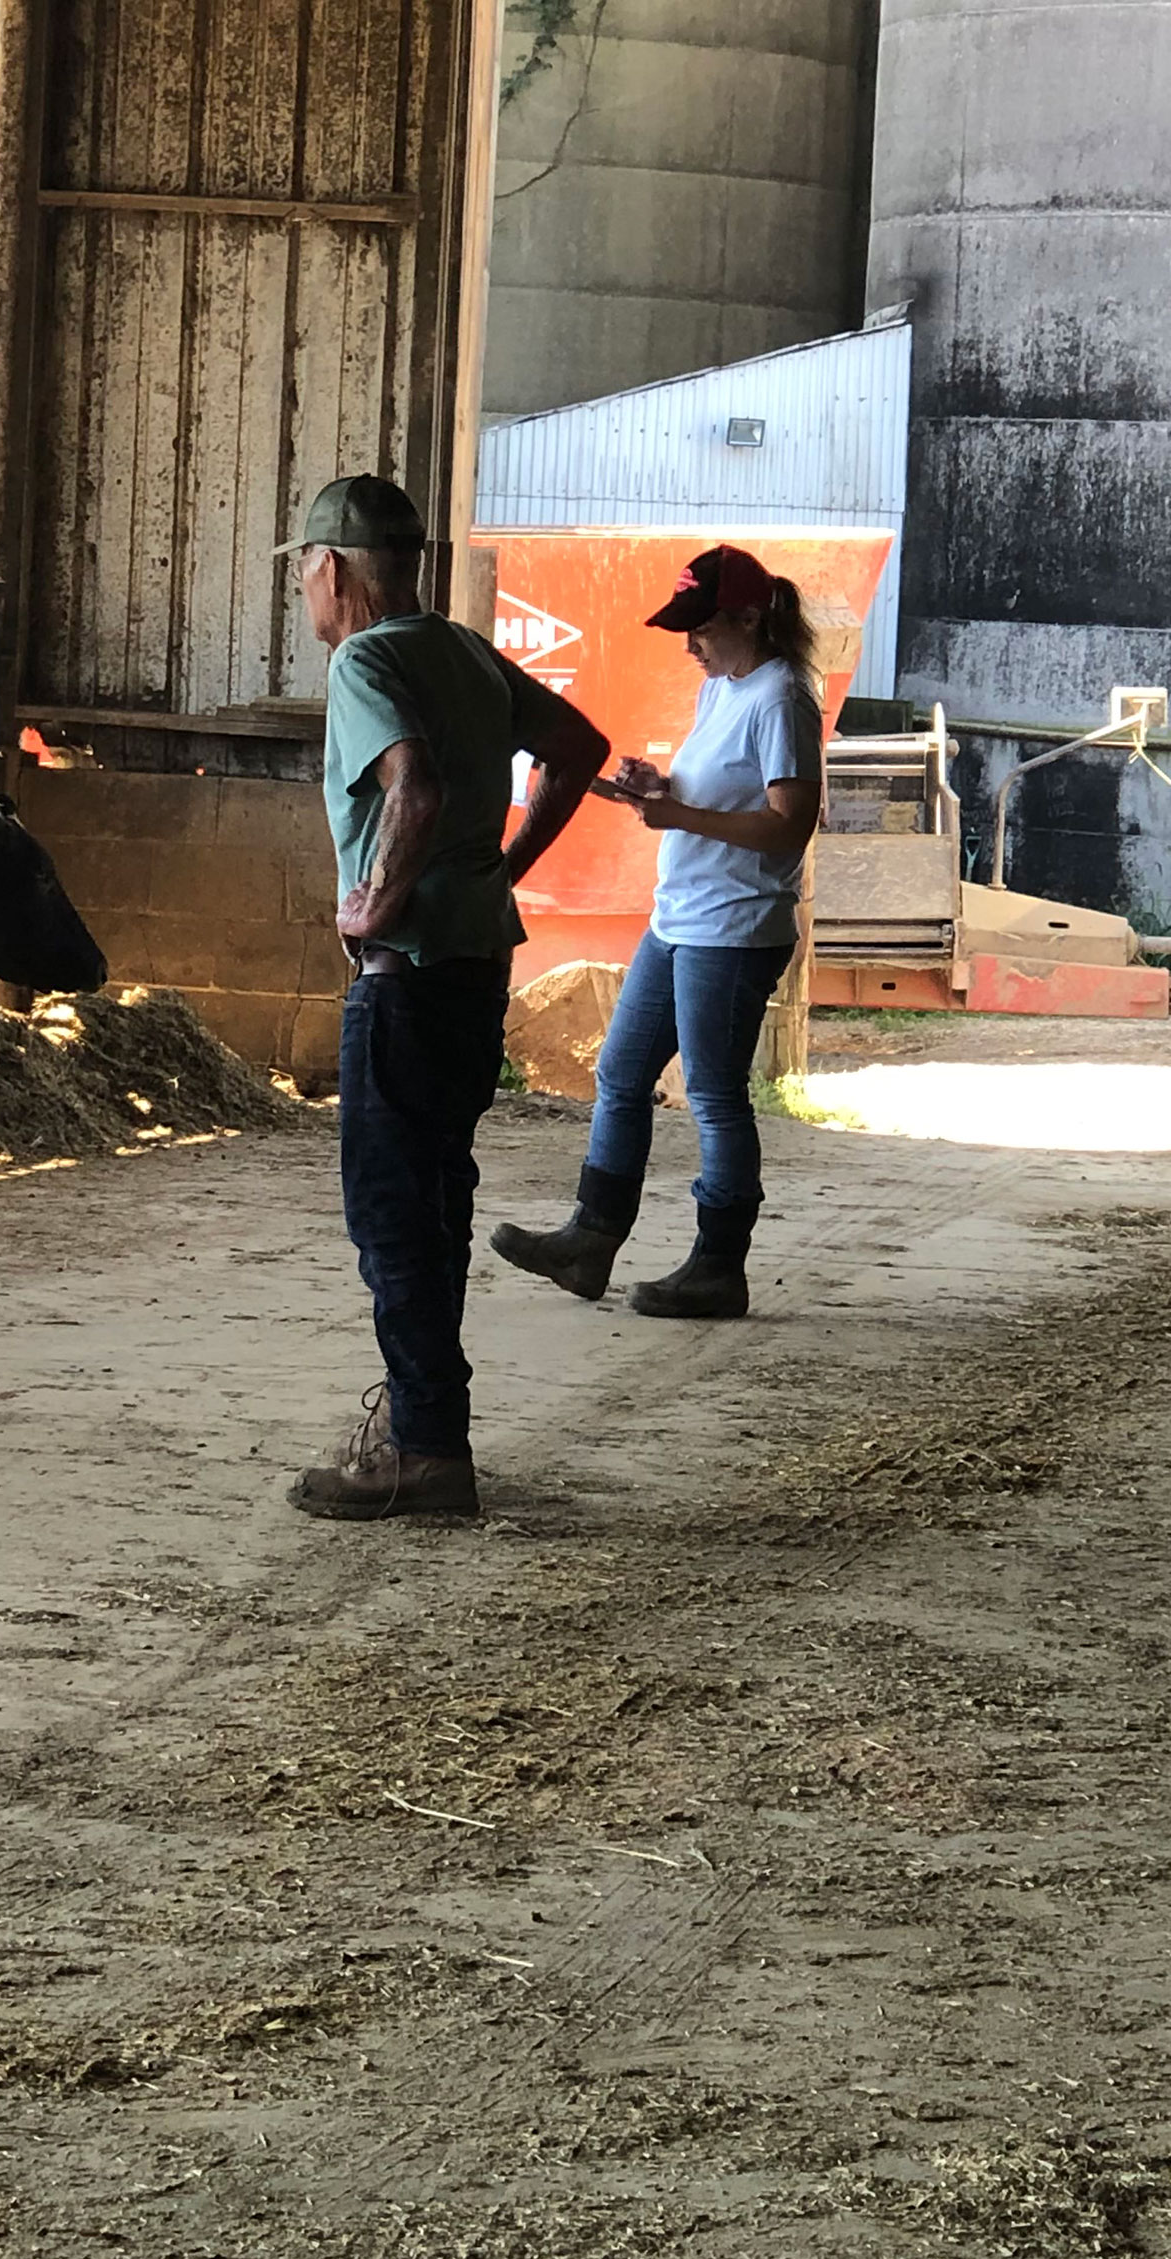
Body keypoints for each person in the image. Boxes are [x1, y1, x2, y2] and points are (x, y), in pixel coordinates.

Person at [279, 474, 610, 1521]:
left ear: (330, 569)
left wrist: (378, 902)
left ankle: (424, 1451)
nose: (304, 596)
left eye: (303, 576)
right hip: (476, 969)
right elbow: (579, 749)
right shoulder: (466, 651)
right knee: (438, 1204)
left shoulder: (365, 660)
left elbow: (410, 785)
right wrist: (503, 867)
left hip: (406, 977)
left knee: (389, 1215)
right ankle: (431, 1429)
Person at [491, 542, 823, 1321]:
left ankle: (718, 1265)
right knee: (620, 1073)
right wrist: (661, 789)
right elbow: (721, 796)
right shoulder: (724, 689)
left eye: (701, 628)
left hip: (735, 927)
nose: (689, 644)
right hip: (682, 915)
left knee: (712, 1093)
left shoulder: (781, 699)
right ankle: (590, 1238)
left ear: (748, 617)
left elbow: (790, 825)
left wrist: (677, 816)